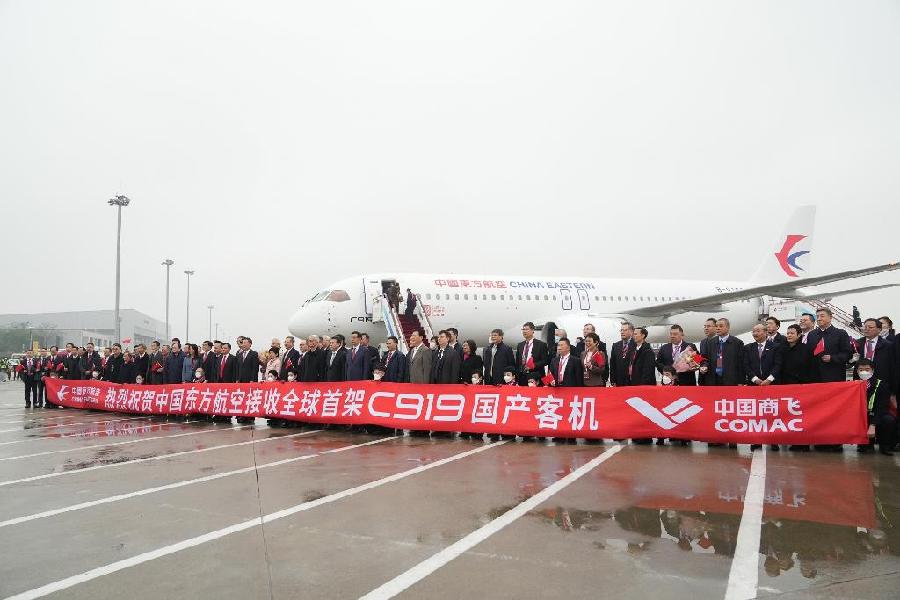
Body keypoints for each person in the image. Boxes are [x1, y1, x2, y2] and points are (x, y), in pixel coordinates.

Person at [855, 359, 895, 455]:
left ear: (872, 370)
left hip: (877, 414)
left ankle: (884, 445)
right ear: (857, 371)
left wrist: (873, 425)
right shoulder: (853, 385)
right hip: (861, 416)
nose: (864, 372)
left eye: (867, 369)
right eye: (861, 370)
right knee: (865, 449)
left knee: (888, 420)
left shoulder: (881, 385)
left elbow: (882, 408)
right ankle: (866, 443)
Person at [806, 308, 851, 383]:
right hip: (814, 377)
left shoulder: (840, 333)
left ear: (830, 317)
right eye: (817, 316)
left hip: (834, 376)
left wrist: (832, 358)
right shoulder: (812, 334)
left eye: (822, 316)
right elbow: (808, 354)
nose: (819, 319)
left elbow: (847, 354)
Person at [855, 318, 895, 392]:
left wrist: (893, 390)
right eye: (865, 327)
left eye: (870, 327)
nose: (866, 329)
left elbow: (892, 367)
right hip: (860, 381)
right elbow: (850, 361)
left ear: (879, 329)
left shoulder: (888, 345)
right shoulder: (857, 343)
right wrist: (851, 360)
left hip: (881, 382)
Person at [701, 319, 745, 386]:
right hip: (713, 380)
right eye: (716, 326)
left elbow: (740, 364)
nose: (718, 328)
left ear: (728, 327)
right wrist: (704, 365)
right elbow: (705, 358)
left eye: (721, 326)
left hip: (730, 381)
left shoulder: (737, 343)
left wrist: (740, 381)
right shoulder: (710, 343)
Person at [515, 322, 549, 386]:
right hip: (522, 377)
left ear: (533, 330)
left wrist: (533, 365)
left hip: (535, 377)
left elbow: (545, 361)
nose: (524, 331)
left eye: (526, 329)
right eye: (523, 329)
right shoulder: (520, 345)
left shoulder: (541, 345)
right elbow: (517, 362)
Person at [234, 337, 259, 424]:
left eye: (245, 343)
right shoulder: (239, 355)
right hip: (240, 380)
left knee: (250, 399)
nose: (243, 344)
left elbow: (255, 368)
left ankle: (250, 416)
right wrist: (237, 379)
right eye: (242, 343)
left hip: (250, 380)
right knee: (242, 398)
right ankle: (242, 415)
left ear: (250, 344)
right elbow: (237, 368)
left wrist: (253, 380)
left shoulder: (254, 354)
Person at [609, 322, 635, 387]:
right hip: (619, 381)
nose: (622, 332)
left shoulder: (636, 345)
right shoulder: (615, 346)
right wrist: (613, 380)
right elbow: (612, 364)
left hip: (632, 382)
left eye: (625, 330)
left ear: (631, 332)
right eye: (621, 330)